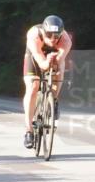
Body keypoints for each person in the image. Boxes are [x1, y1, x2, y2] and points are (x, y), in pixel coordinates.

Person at [23, 15, 73, 148]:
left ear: (61, 34)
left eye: (56, 36)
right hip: (35, 56)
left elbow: (59, 61)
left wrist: (54, 62)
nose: (52, 39)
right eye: (49, 35)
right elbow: (42, 63)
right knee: (33, 86)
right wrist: (46, 62)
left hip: (55, 55)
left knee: (59, 70)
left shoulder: (66, 40)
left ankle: (54, 100)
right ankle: (28, 131)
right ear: (44, 32)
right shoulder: (34, 35)